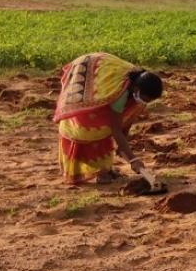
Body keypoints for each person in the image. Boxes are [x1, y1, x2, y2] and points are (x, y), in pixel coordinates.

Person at [53, 52, 164, 190]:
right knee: (95, 127)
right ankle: (101, 171)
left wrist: (124, 145)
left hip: (103, 73)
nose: (146, 102)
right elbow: (116, 129)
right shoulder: (120, 95)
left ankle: (105, 169)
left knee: (106, 126)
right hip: (87, 74)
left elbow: (126, 122)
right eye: (146, 99)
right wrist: (133, 159)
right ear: (136, 89)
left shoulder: (138, 90)